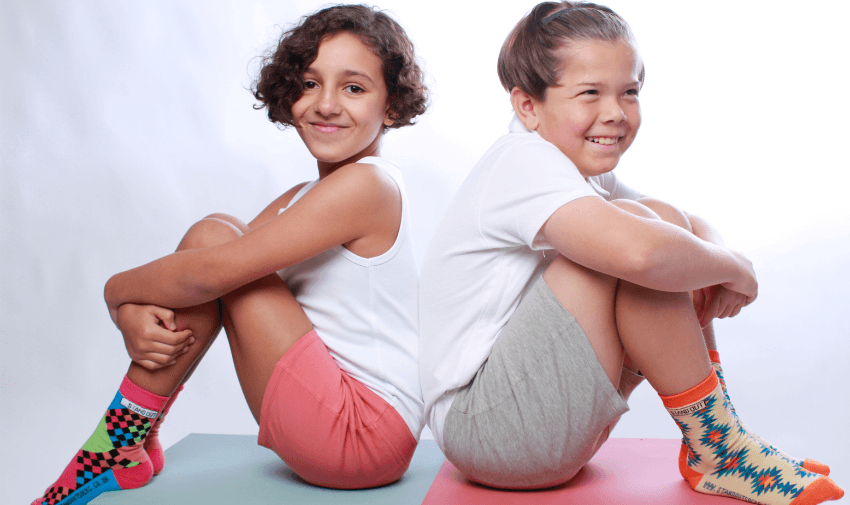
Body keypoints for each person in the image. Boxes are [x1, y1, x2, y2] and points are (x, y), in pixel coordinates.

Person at [418, 2, 843, 504]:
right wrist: (737, 269)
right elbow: (641, 255)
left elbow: (678, 224)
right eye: (590, 93)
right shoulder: (520, 163)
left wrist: (714, 255)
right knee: (634, 247)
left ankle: (715, 438)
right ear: (528, 106)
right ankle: (720, 448)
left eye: (629, 93)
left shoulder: (578, 170)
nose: (616, 113)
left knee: (659, 224)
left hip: (540, 424)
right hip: (487, 432)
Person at [32, 5, 428, 504]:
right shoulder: (304, 197)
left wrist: (116, 295)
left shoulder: (369, 186)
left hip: (362, 433)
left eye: (353, 88)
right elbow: (202, 274)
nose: (326, 104)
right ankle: (127, 435)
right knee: (216, 232)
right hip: (333, 416)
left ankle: (117, 440)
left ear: (391, 106)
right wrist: (138, 310)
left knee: (216, 246)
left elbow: (210, 272)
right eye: (309, 83)